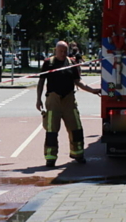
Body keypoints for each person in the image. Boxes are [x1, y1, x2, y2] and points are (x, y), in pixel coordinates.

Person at [37, 40, 100, 168]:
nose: (63, 53)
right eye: (60, 51)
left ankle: (78, 154)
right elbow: (41, 81)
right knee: (51, 130)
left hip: (69, 99)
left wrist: (92, 90)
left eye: (65, 51)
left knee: (76, 127)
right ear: (56, 50)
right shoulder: (49, 63)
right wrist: (38, 99)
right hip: (53, 99)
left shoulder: (72, 63)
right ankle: (50, 158)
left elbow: (78, 81)